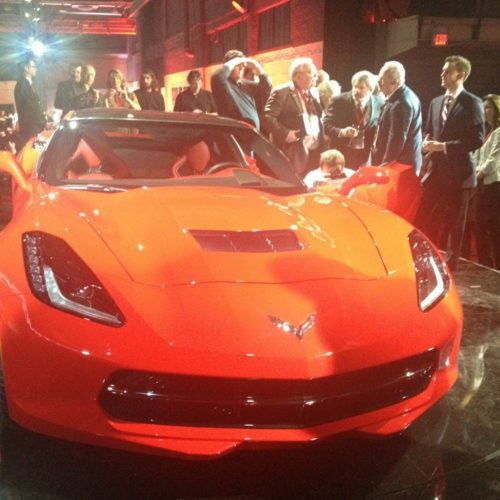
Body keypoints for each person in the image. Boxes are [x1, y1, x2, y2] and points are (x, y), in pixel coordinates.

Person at [414, 55, 485, 272]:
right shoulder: (436, 102)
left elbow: (476, 139)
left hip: (459, 174)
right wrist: (426, 142)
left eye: (447, 72)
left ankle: (450, 268)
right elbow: (429, 131)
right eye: (443, 70)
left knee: (455, 224)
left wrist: (443, 147)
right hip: (436, 171)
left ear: (460, 75)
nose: (442, 74)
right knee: (423, 217)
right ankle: (422, 259)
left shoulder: (472, 102)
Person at [263, 57, 323, 175]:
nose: (316, 77)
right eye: (312, 73)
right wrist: (285, 133)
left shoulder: (313, 92)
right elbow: (267, 117)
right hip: (295, 152)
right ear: (298, 76)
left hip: (315, 150)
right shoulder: (282, 92)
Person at [323, 70, 384, 169]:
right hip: (342, 154)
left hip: (365, 156)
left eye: (361, 88)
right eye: (355, 86)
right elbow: (326, 126)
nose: (356, 90)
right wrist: (342, 132)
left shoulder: (380, 103)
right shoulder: (338, 101)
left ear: (370, 89)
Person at [372, 61, 422, 173]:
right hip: (403, 163)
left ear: (395, 82)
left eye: (382, 81)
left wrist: (385, 167)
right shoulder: (403, 96)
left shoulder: (401, 103)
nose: (379, 85)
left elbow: (396, 140)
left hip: (400, 166)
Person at [211, 49, 272, 131]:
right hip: (234, 134)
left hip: (251, 134)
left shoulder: (244, 84)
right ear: (229, 66)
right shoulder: (223, 84)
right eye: (238, 65)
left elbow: (266, 88)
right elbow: (217, 76)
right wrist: (236, 61)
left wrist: (256, 66)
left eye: (242, 65)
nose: (241, 68)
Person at [474, 94, 500, 269]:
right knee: (480, 226)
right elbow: (477, 156)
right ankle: (485, 265)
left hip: (493, 184)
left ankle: (495, 266)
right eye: (483, 108)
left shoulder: (498, 132)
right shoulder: (488, 132)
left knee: (493, 227)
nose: (484, 111)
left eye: (488, 107)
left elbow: (494, 159)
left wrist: (478, 174)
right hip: (482, 184)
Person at [14, 58, 46, 150]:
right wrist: (42, 121)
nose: (36, 69)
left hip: (32, 128)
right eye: (34, 66)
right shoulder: (22, 85)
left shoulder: (27, 84)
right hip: (30, 129)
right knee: (34, 151)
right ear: (26, 68)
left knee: (37, 150)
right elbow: (30, 108)